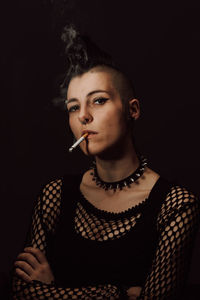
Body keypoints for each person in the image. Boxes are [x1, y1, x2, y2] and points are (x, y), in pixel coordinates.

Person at [11, 24, 200, 300]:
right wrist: (113, 294)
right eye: (73, 107)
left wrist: (53, 291)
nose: (83, 116)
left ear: (132, 110)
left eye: (98, 101)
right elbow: (21, 292)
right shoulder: (53, 197)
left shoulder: (176, 206)